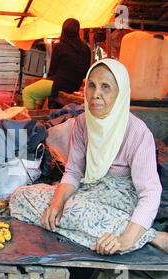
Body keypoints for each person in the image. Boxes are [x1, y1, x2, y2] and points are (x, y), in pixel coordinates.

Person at [10, 58, 168, 255]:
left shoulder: (137, 133)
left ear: (120, 94)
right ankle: (148, 237)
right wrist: (56, 204)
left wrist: (126, 240)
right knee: (21, 196)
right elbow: (74, 172)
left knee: (74, 210)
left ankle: (135, 236)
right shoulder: (82, 123)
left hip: (120, 197)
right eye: (91, 85)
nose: (95, 94)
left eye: (105, 87)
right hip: (89, 190)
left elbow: (150, 193)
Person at [23, 18, 91, 110]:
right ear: (77, 31)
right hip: (76, 86)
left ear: (63, 30)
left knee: (27, 92)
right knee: (43, 88)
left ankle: (30, 121)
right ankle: (38, 113)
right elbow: (85, 71)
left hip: (59, 85)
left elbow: (52, 71)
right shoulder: (86, 48)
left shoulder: (60, 46)